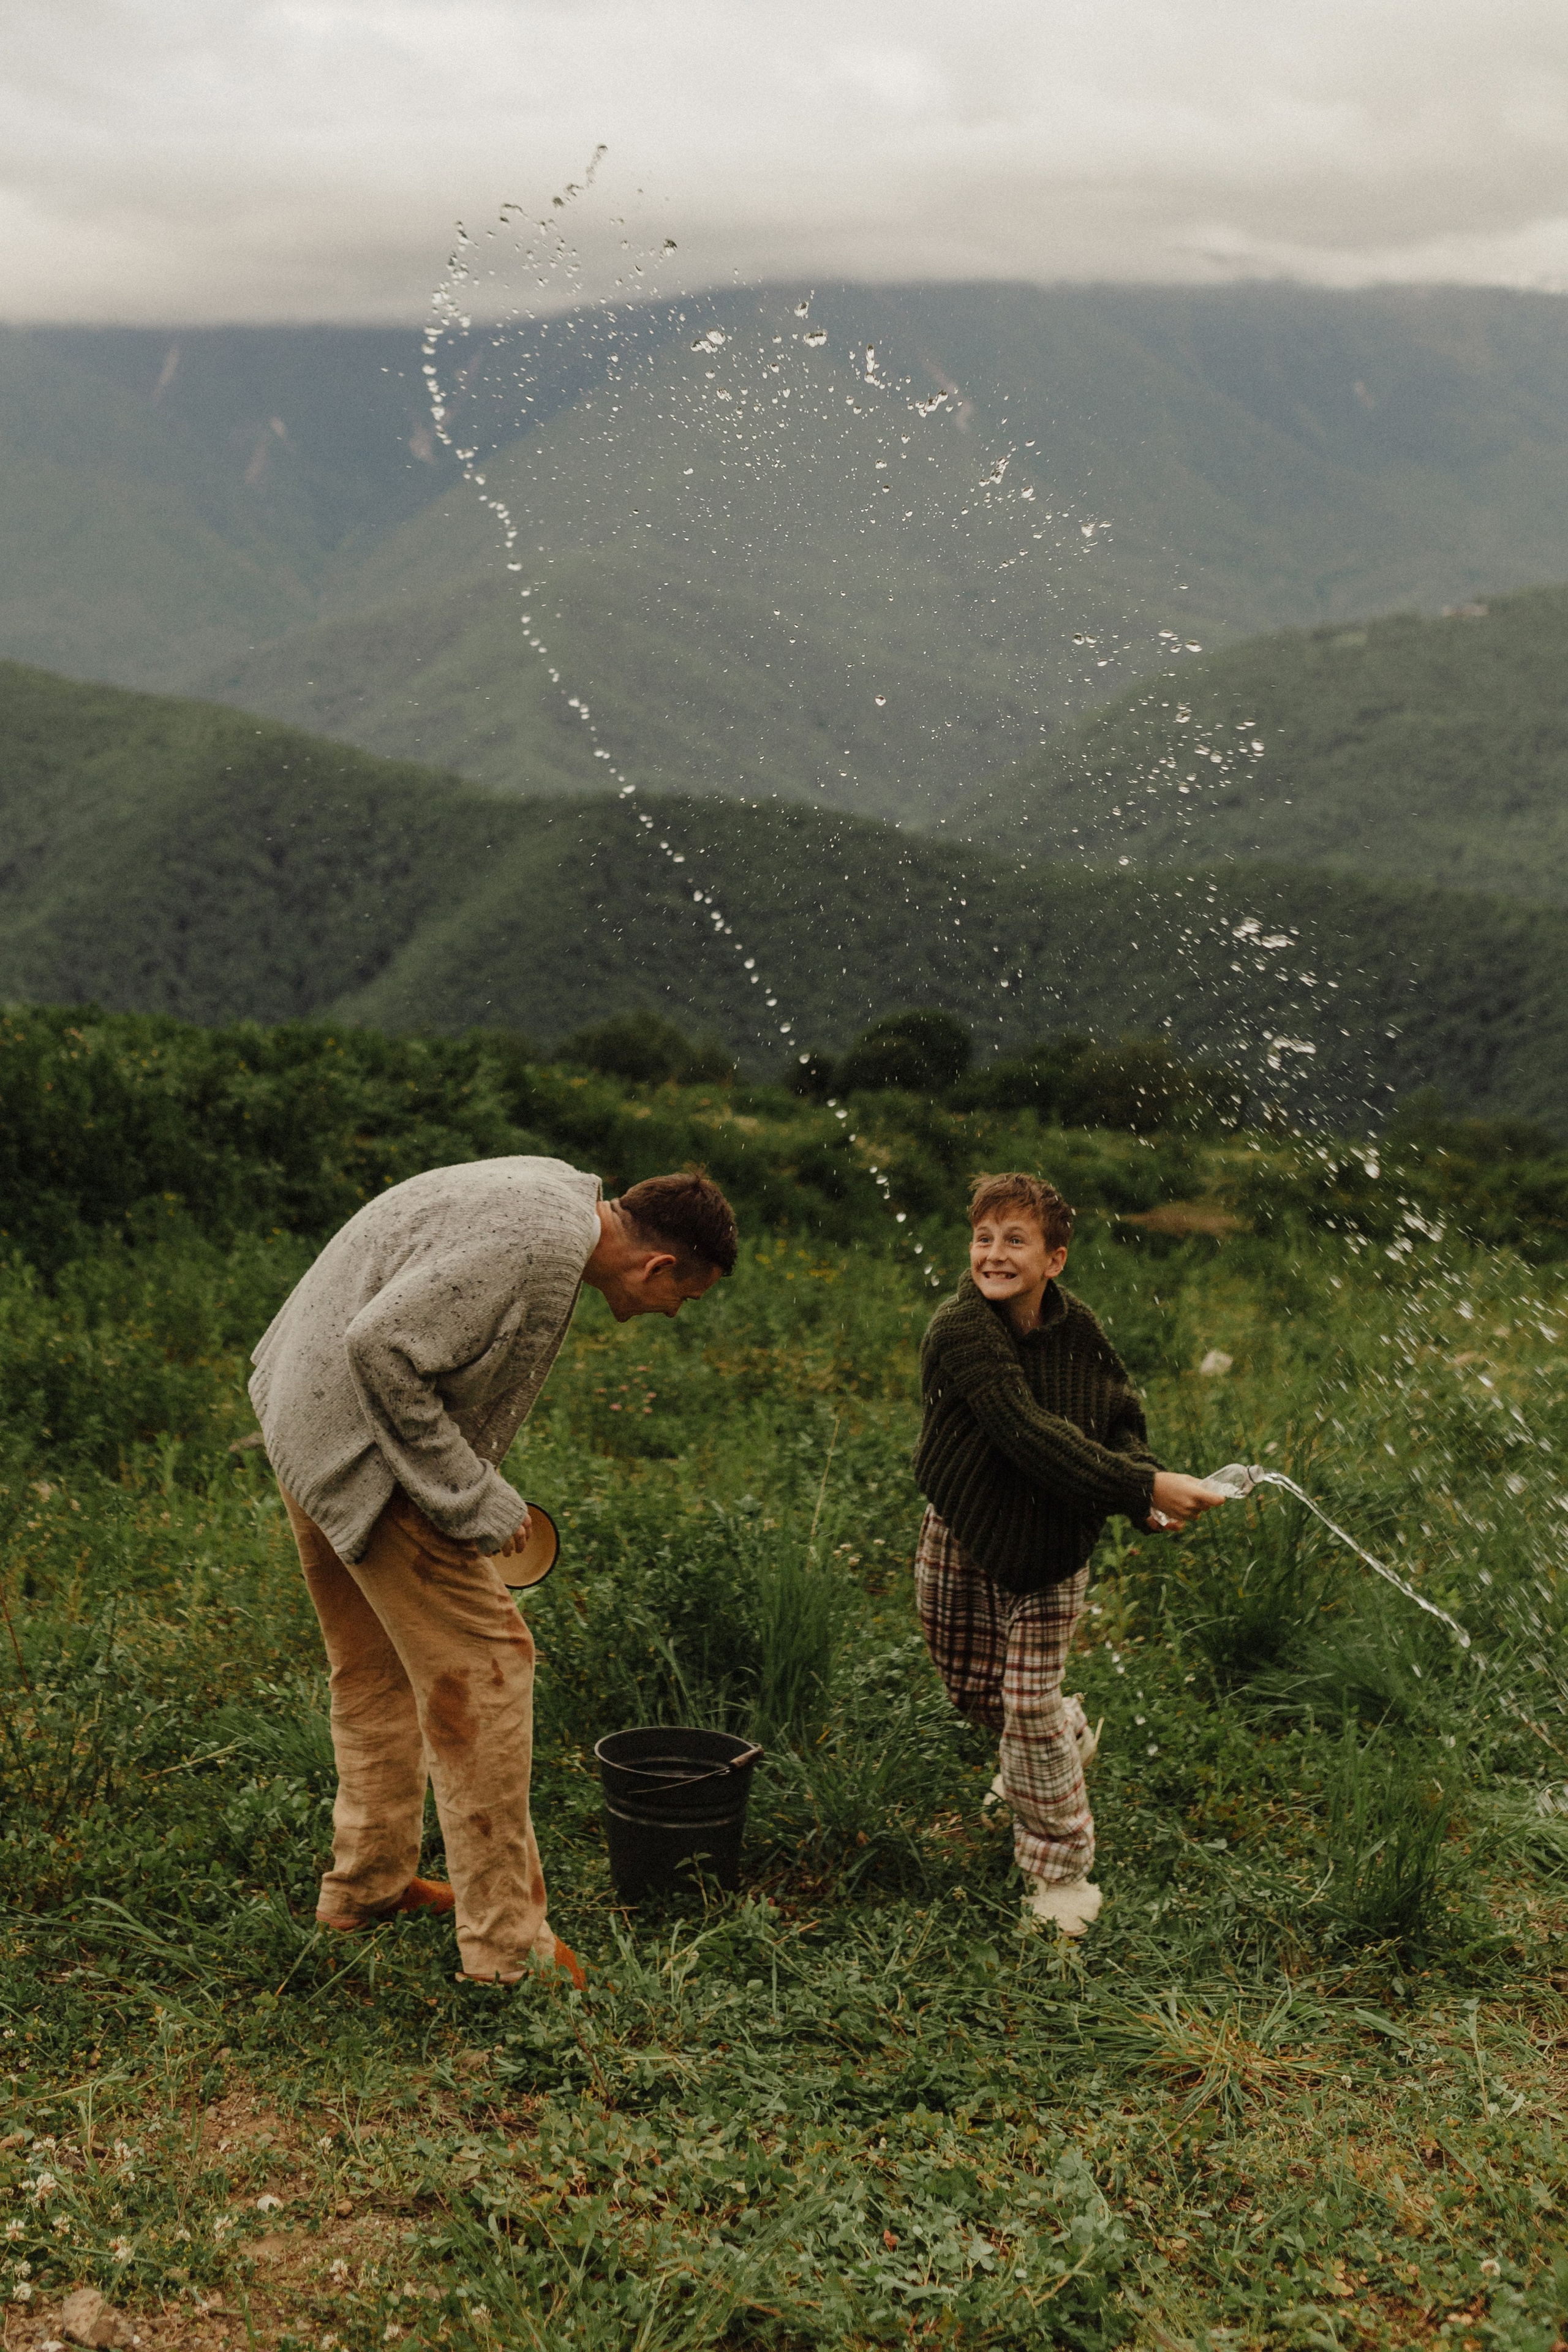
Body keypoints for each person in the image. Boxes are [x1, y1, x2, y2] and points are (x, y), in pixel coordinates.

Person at [248, 1156, 739, 1988]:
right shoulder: (535, 1247)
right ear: (660, 1264)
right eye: (680, 1299)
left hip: (306, 1418)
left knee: (374, 1666)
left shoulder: (553, 1190)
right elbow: (383, 1347)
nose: (668, 1314)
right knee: (490, 1668)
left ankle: (366, 1887)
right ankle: (506, 1947)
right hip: (365, 1449)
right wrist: (469, 1494)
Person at [912, 1171, 1225, 1939]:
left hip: (1055, 1543)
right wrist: (1142, 1484)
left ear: (1054, 1259)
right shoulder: (959, 1329)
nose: (992, 1254)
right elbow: (1023, 1434)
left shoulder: (1077, 1327)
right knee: (976, 1695)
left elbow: (1116, 1417)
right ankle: (1063, 1736)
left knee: (1025, 1704)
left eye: (1014, 1240)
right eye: (983, 1238)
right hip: (961, 1531)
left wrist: (1140, 1485)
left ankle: (1061, 1878)